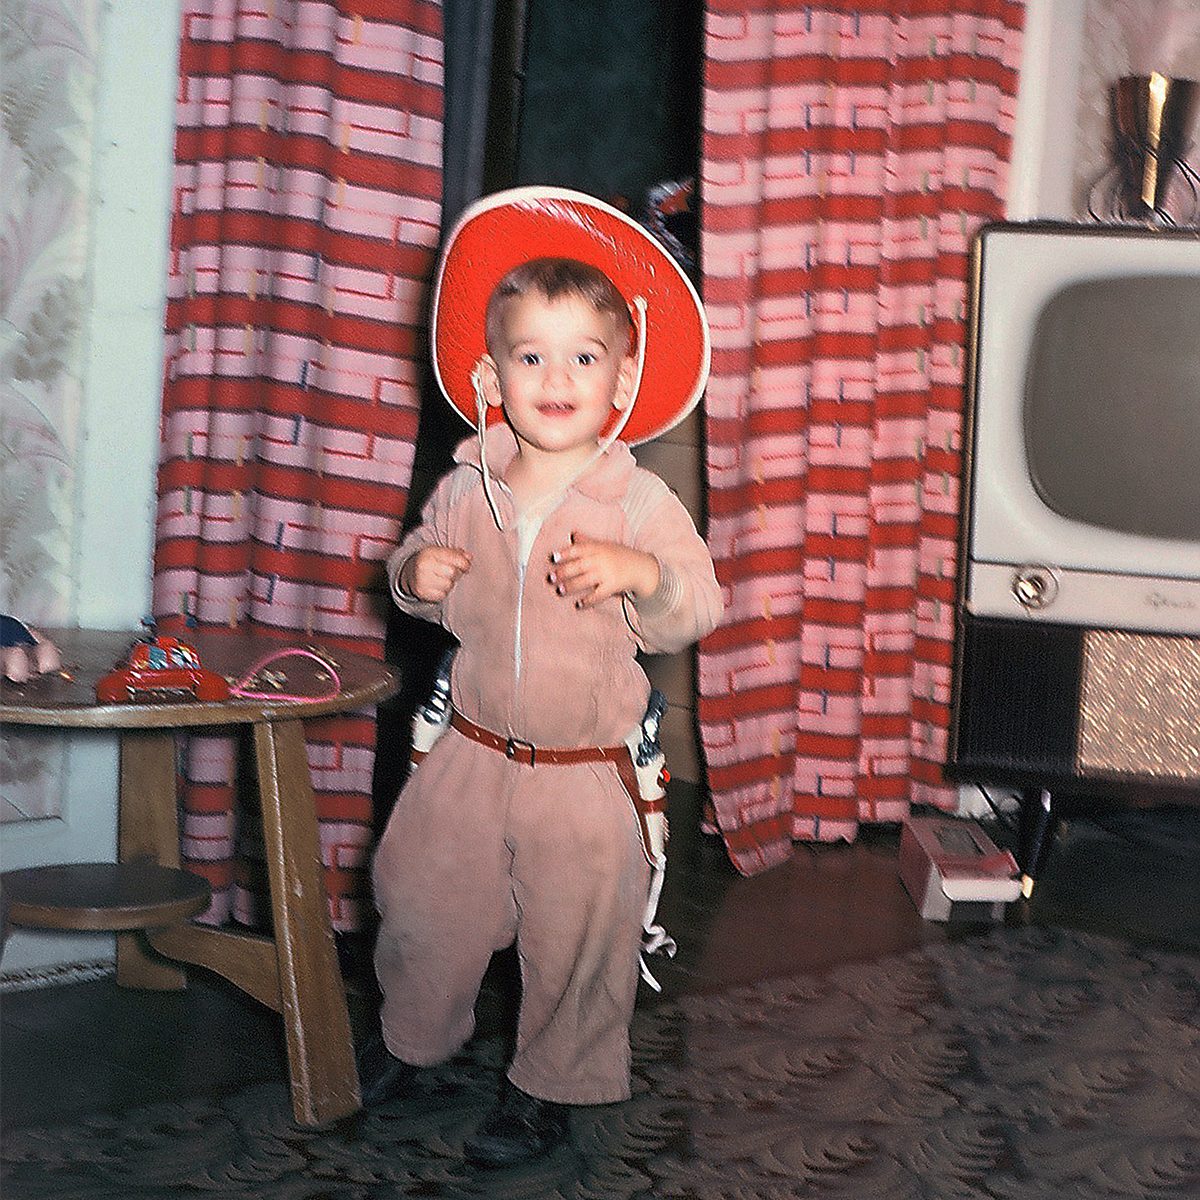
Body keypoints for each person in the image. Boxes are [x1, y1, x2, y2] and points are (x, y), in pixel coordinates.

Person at [361, 188, 723, 1168]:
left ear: (623, 377)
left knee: (579, 939)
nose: (557, 379)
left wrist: (643, 574)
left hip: (583, 770)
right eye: (531, 357)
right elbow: (418, 576)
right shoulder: (464, 486)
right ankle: (412, 1041)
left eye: (584, 358)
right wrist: (414, 576)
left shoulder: (637, 499)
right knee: (422, 904)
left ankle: (550, 1086)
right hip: (470, 752)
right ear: (490, 375)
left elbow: (696, 601)